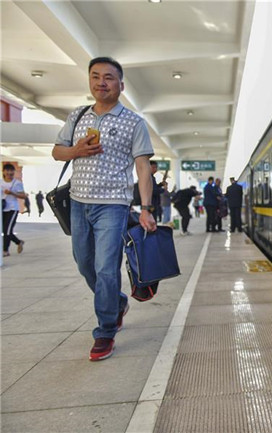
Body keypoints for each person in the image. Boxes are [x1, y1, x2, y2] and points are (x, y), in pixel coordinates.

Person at [52, 56, 156, 362]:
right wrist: (76, 150)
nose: (101, 83)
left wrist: (146, 208)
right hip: (78, 203)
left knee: (106, 268)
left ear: (121, 85)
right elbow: (57, 152)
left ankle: (105, 330)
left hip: (113, 204)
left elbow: (143, 167)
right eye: (95, 76)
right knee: (84, 263)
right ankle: (118, 302)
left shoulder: (134, 122)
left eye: (109, 77)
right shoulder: (78, 115)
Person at [2, 163, 27, 257]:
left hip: (12, 209)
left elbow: (23, 196)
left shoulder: (17, 183)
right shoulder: (0, 182)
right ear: (3, 171)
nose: (9, 173)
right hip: (2, 209)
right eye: (7, 170)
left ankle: (5, 250)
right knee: (5, 230)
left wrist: (12, 193)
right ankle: (19, 242)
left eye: (11, 171)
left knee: (7, 230)